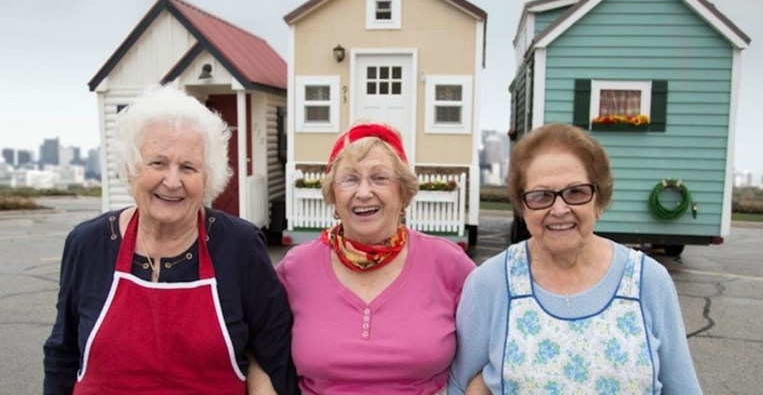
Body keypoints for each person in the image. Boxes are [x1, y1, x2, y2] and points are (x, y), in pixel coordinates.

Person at [43, 85, 298, 394]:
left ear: (207, 179)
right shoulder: (88, 244)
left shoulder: (240, 247)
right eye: (158, 163)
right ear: (130, 169)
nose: (173, 181)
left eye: (188, 167)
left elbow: (275, 352)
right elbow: (62, 354)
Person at [449, 123, 702, 394]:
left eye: (576, 192)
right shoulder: (491, 282)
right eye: (541, 196)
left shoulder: (648, 280)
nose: (559, 209)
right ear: (523, 206)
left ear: (599, 199)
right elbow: (460, 385)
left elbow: (682, 388)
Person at [276, 122, 476, 394]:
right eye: (349, 179)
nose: (363, 192)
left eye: (380, 177)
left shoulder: (448, 264)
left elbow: (486, 355)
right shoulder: (296, 268)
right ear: (334, 195)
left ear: (403, 192)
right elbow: (258, 347)